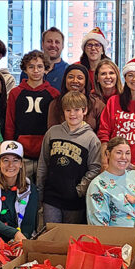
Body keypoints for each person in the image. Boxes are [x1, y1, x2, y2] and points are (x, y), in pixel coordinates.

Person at [37, 91, 102, 224]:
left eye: (77, 110)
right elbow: (43, 163)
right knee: (51, 234)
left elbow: (95, 169)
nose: (72, 114)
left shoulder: (92, 139)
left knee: (70, 239)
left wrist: (78, 191)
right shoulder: (52, 132)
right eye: (68, 110)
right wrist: (40, 191)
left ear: (85, 111)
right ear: (63, 111)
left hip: (74, 200)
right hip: (51, 196)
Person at [6, 50, 60, 180]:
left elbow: (57, 125)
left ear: (46, 69)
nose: (36, 70)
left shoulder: (54, 94)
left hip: (45, 152)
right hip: (22, 153)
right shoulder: (15, 93)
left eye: (40, 67)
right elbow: (10, 123)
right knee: (22, 189)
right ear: (25, 69)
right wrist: (10, 149)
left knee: (43, 190)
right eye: (31, 67)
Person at [0, 141, 39, 246]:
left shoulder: (30, 187)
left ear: (21, 164)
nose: (10, 165)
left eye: (15, 160)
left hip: (18, 236)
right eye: (5, 160)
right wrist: (15, 233)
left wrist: (20, 240)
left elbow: (28, 224)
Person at [46, 63, 103, 131]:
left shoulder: (96, 104)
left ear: (86, 82)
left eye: (80, 78)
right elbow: (52, 131)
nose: (75, 81)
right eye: (70, 77)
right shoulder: (55, 104)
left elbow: (102, 132)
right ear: (65, 80)